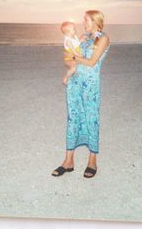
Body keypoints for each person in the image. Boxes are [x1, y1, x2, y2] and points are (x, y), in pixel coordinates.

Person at [52, 10, 110, 178]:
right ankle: (68, 161)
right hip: (75, 83)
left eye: (86, 20)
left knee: (91, 119)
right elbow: (67, 56)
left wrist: (74, 58)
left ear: (95, 20)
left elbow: (92, 63)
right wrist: (69, 58)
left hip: (90, 86)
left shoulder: (103, 38)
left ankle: (92, 161)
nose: (83, 22)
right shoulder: (82, 37)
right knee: (73, 119)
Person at [60, 21, 84, 86]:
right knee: (73, 68)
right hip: (70, 58)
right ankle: (65, 79)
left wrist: (81, 40)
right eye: (73, 29)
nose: (75, 30)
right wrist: (80, 55)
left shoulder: (74, 36)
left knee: (81, 67)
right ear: (68, 32)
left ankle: (76, 79)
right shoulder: (68, 41)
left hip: (75, 56)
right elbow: (74, 51)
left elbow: (77, 43)